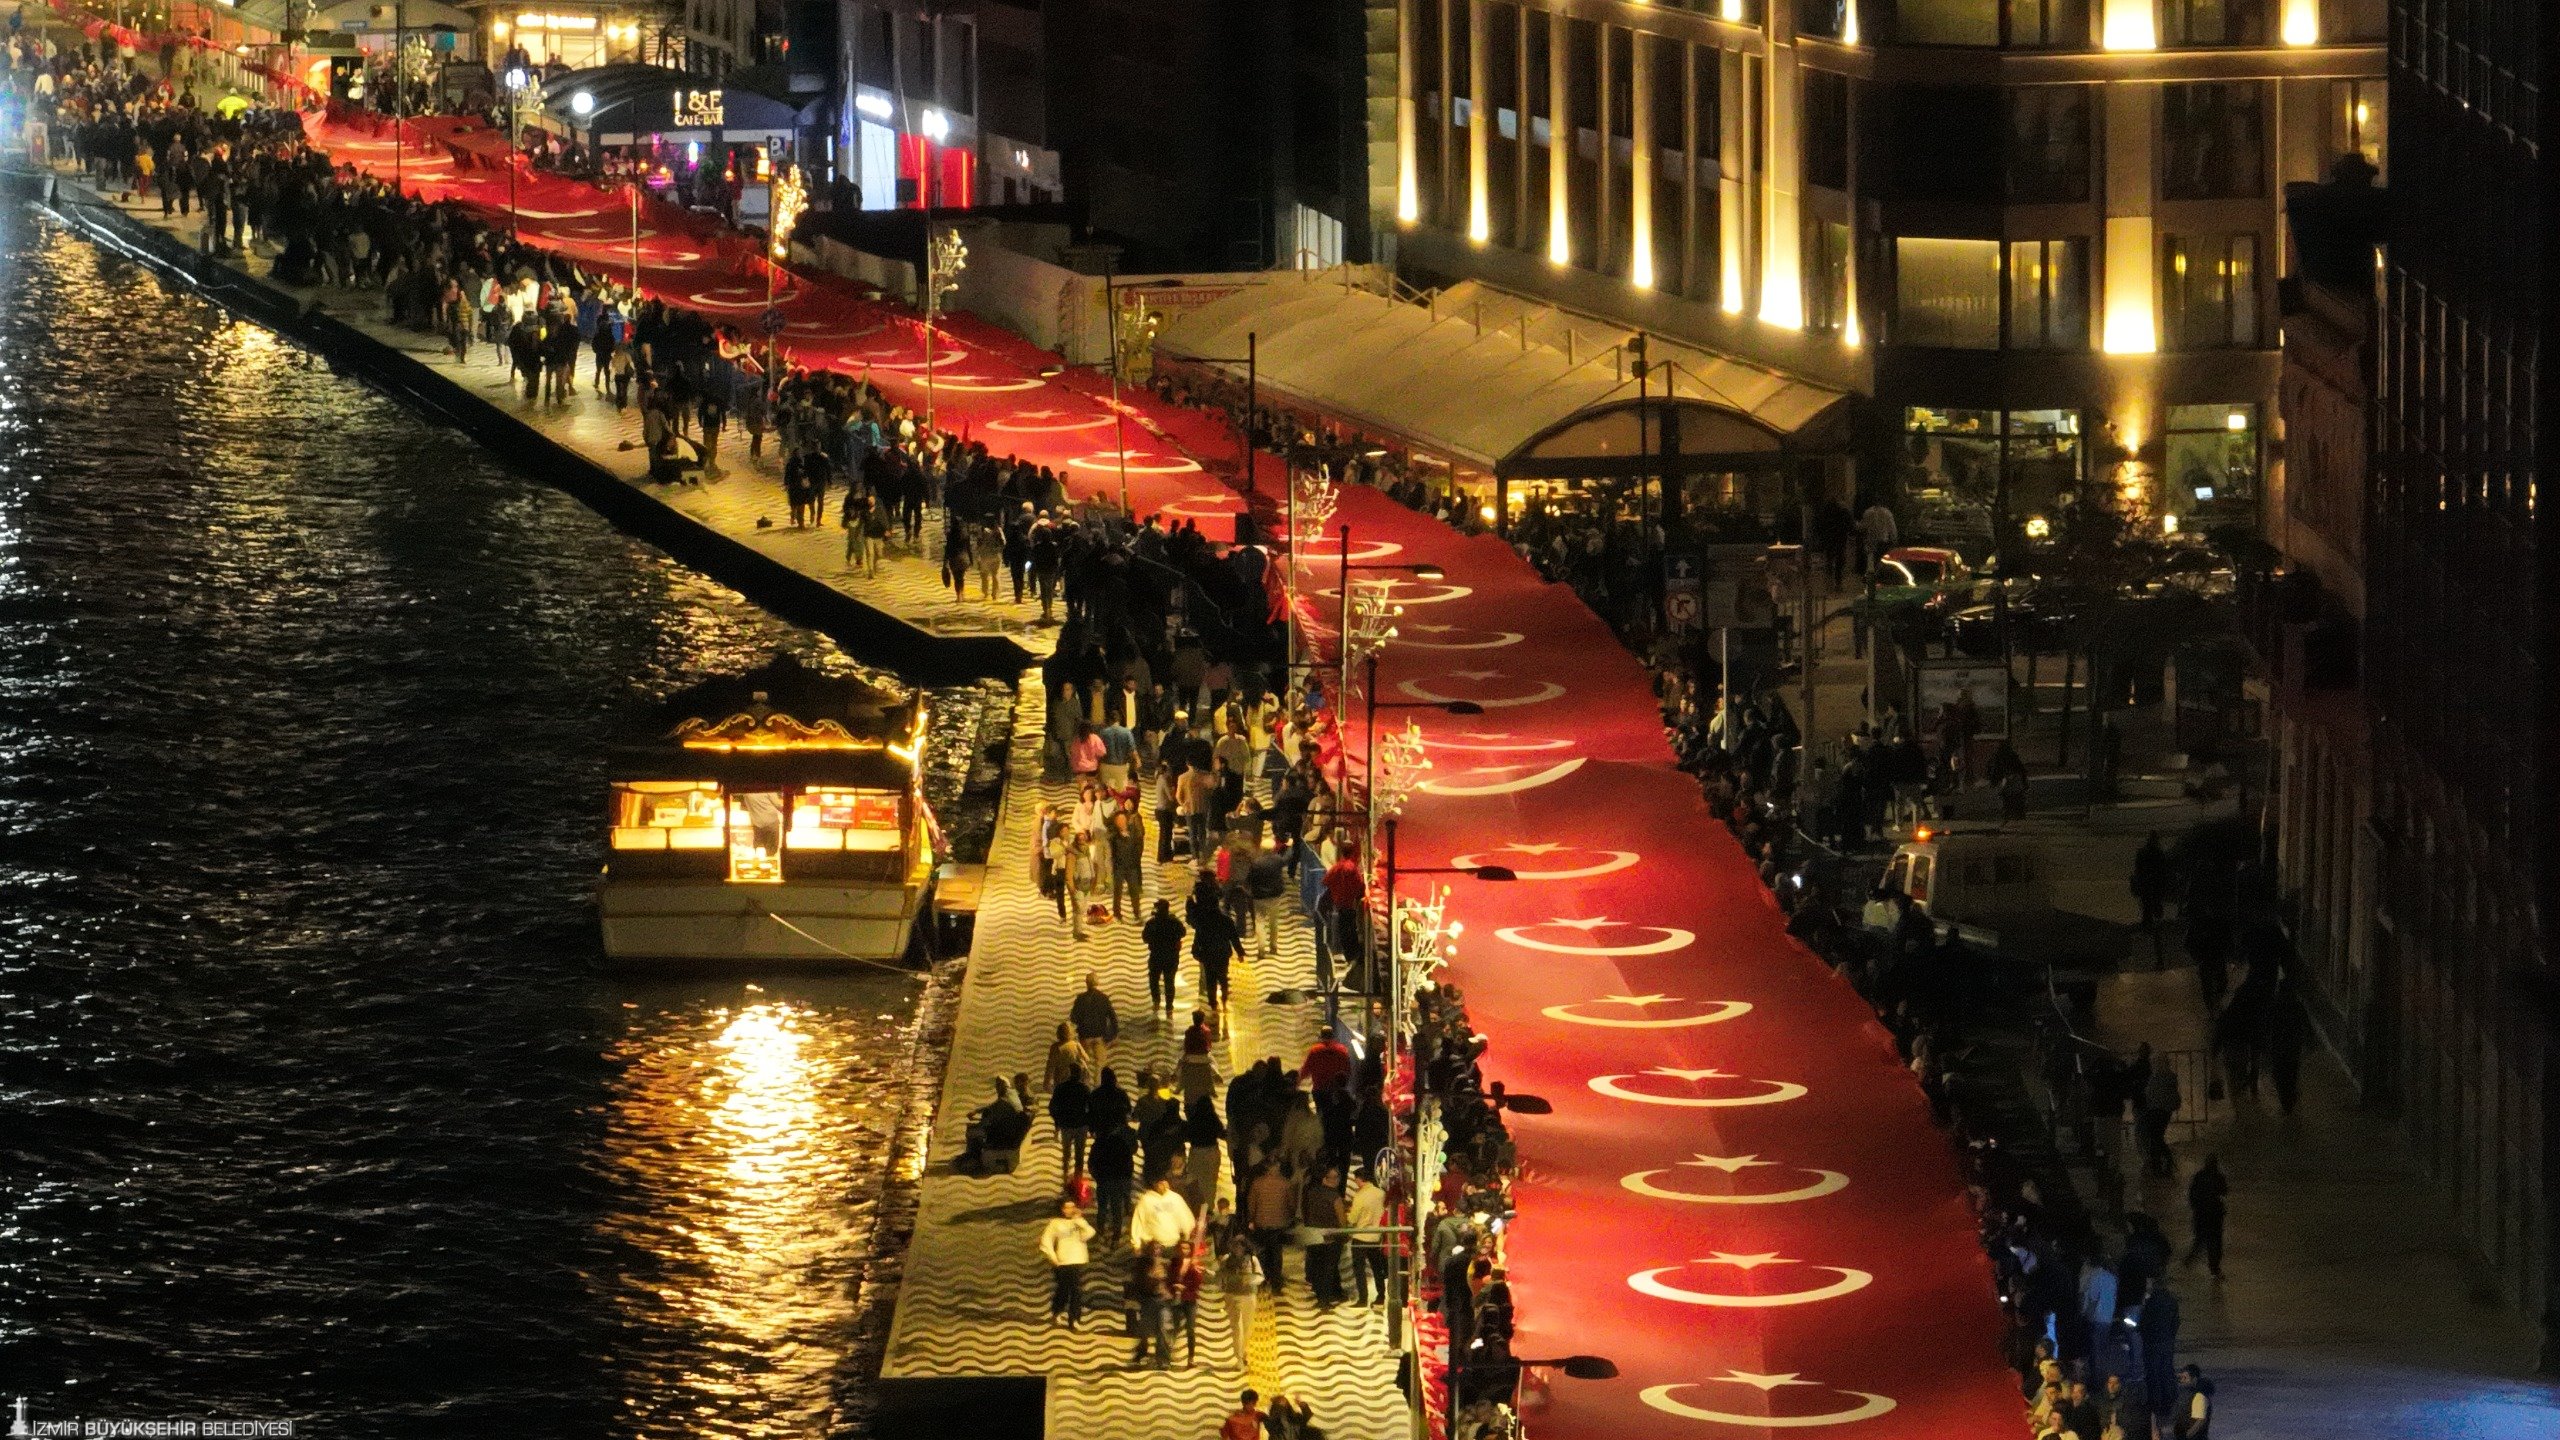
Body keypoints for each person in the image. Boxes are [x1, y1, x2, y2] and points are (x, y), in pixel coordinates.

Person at [1039, 1199, 1095, 1328]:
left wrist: (1078, 1220)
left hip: (1078, 1259)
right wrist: (1053, 1257)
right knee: (1063, 1290)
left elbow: (1090, 1233)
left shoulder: (1079, 1222)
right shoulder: (1055, 1223)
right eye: (1067, 1207)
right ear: (1061, 1209)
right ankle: (1057, 1311)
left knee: (1076, 1290)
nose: (1070, 1210)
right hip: (1062, 1262)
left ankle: (1074, 1319)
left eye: (1073, 1206)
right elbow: (1046, 1241)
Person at [1218, 1240, 1265, 1373]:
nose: (1238, 1248)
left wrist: (1249, 1280)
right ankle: (1238, 1357)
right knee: (1236, 1327)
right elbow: (1220, 1275)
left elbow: (1260, 1276)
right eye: (1235, 1246)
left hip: (1249, 1295)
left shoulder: (1252, 1259)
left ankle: (1244, 1352)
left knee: (1248, 1327)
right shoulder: (1227, 1259)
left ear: (1245, 1247)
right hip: (1232, 1295)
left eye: (1240, 1246)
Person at [1344, 1170, 1387, 1305]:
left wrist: (1347, 1214)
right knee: (1376, 1267)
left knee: (1359, 1269)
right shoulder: (1381, 1194)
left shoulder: (1360, 1196)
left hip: (1360, 1236)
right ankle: (1381, 1296)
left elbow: (1353, 1219)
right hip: (1376, 1236)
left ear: (1359, 1179)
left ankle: (1363, 1299)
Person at [2131, 831, 2173, 966]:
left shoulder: (2143, 852)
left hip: (2146, 884)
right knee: (2155, 904)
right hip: (2155, 884)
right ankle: (2156, 922)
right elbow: (2164, 870)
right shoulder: (2159, 853)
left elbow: (2138, 868)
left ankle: (2147, 925)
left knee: (2146, 906)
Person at [2186, 1153, 2229, 1278]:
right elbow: (2224, 1191)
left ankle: (2191, 1259)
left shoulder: (2199, 1176)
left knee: (2201, 1239)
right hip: (2214, 1215)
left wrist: (2196, 1207)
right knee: (2215, 1242)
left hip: (2202, 1214)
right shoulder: (2218, 1176)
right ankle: (2214, 1268)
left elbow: (2192, 1194)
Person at [1130, 1174, 1197, 1252]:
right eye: (1158, 1183)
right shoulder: (1146, 1201)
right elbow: (1138, 1223)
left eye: (1163, 1182)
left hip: (1175, 1247)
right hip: (1154, 1248)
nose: (1161, 1185)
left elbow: (1186, 1219)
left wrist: (1188, 1236)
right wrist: (1136, 1245)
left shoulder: (1175, 1198)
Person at [1141, 900, 1185, 1017]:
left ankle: (1156, 1000)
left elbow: (1145, 938)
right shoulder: (1174, 922)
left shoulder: (1152, 923)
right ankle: (1169, 1007)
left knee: (1154, 979)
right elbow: (1183, 932)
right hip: (1171, 956)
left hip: (1156, 956)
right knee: (1169, 982)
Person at [1048, 1064, 1091, 1179]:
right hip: (1081, 1125)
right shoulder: (1084, 1089)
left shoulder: (1060, 1088)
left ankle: (1065, 1176)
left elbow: (1052, 1107)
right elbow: (1091, 1107)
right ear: (1080, 1074)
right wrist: (1089, 1123)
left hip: (1066, 1125)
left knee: (1066, 1152)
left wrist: (1058, 1121)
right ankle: (1078, 1178)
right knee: (1079, 1154)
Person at [1070, 972, 1119, 1071]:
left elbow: (1073, 1018)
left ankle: (1084, 1085)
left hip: (1084, 1036)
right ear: (1097, 983)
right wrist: (1113, 1035)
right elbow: (1113, 1018)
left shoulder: (1080, 998)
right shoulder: (1104, 998)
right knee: (1100, 1066)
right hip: (1100, 1036)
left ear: (1086, 983)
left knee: (1083, 1064)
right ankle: (1098, 1085)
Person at [1301, 1026, 1352, 1094]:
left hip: (1319, 1089)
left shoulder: (1315, 1050)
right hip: (1336, 1090)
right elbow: (1347, 1069)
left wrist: (1298, 1080)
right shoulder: (1342, 1049)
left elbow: (1306, 1068)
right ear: (1332, 1035)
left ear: (1321, 1036)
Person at [2173, 1364, 2213, 1439]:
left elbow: (2200, 1421)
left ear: (2194, 1379)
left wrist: (2187, 1436)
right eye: (2181, 1378)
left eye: (2185, 1378)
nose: (2182, 1381)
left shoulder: (2199, 1396)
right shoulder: (2189, 1393)